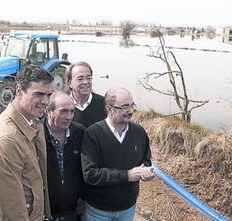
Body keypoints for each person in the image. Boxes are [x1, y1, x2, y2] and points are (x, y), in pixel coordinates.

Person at [0, 65, 54, 221]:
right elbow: (11, 212)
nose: (46, 101)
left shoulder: (32, 122)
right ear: (19, 91)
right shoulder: (7, 140)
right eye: (39, 94)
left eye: (49, 95)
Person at [81, 87, 155, 221]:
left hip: (128, 208)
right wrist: (127, 175)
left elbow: (146, 161)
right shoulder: (93, 134)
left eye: (132, 105)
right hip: (98, 211)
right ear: (109, 109)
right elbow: (90, 174)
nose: (131, 111)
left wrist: (146, 172)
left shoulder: (139, 132)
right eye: (125, 107)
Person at [44, 91, 85, 221]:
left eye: (72, 111)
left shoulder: (80, 132)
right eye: (63, 111)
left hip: (73, 211)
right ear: (49, 111)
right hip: (45, 212)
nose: (69, 117)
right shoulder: (36, 135)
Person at [66, 61, 107, 128]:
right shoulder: (63, 106)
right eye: (80, 79)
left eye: (88, 78)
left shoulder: (104, 104)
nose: (85, 82)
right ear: (70, 83)